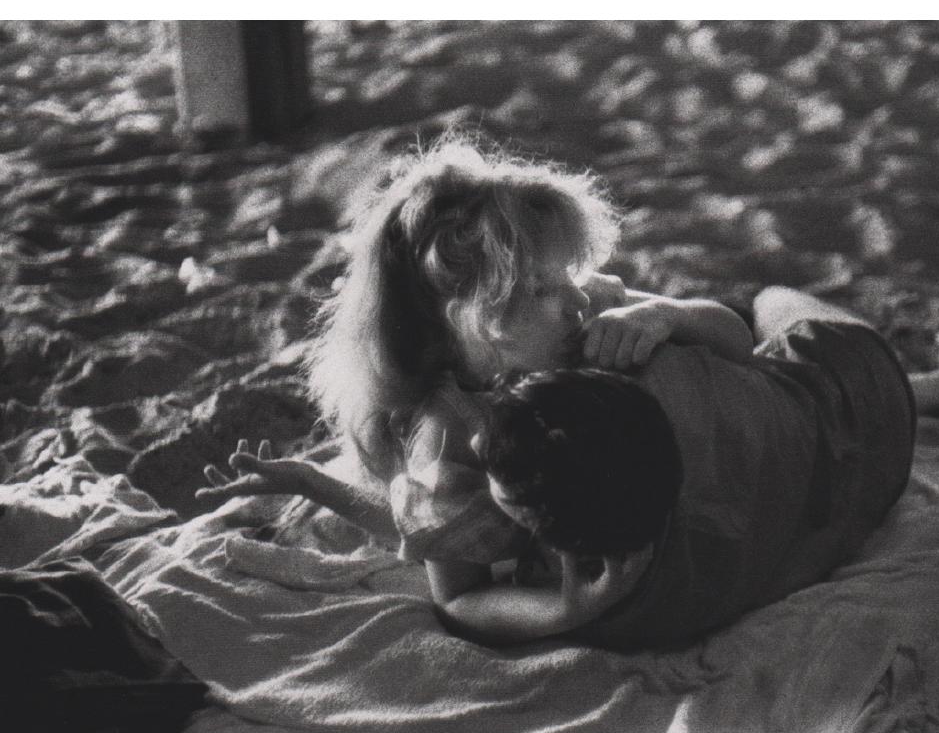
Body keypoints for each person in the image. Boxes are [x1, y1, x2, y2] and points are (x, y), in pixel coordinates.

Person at [197, 136, 752, 589]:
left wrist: (666, 315)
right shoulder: (450, 435)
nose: (577, 300)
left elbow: (740, 338)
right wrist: (317, 486)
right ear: (463, 318)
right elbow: (447, 558)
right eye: (539, 290)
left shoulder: (589, 314)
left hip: (774, 408)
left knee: (776, 304)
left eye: (568, 278)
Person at [433, 286, 920, 650]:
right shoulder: (645, 383)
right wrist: (663, 312)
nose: (476, 441)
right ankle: (931, 395)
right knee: (769, 300)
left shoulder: (625, 618)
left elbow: (459, 601)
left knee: (768, 302)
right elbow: (738, 339)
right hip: (865, 386)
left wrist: (564, 611)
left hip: (878, 467)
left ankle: (934, 397)